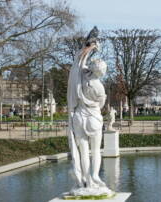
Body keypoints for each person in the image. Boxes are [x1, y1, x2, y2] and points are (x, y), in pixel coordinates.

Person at [67, 30, 112, 196]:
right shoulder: (100, 88)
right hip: (93, 118)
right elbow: (100, 104)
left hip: (79, 117)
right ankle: (94, 176)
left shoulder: (81, 74)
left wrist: (89, 48)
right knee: (96, 150)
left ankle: (85, 180)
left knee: (83, 151)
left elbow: (79, 62)